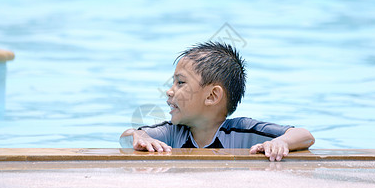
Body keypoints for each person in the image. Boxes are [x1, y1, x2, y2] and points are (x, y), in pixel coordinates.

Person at [120, 42, 315, 161]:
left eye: (180, 82)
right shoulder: (173, 132)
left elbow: (305, 135)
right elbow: (127, 137)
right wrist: (140, 137)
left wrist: (281, 142)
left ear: (212, 96)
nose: (170, 91)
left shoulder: (242, 131)